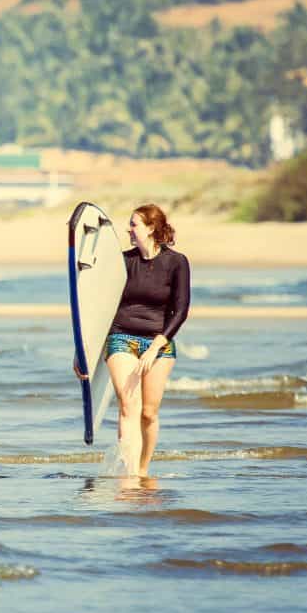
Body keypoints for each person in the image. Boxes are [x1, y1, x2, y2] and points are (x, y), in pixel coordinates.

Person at [76, 204, 190, 477]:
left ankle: (143, 468)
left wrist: (156, 346)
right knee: (128, 406)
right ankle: (130, 476)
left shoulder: (177, 262)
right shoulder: (122, 263)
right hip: (121, 337)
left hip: (159, 343)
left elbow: (181, 308)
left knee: (149, 413)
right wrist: (83, 352)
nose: (128, 229)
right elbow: (98, 308)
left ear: (151, 228)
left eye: (134, 224)